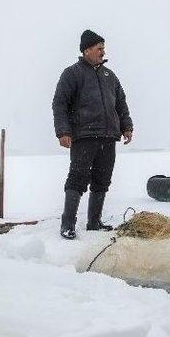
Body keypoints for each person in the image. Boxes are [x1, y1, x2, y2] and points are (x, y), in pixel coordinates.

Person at [52, 30, 133, 239]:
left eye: (103, 48)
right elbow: (59, 103)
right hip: (84, 137)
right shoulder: (72, 73)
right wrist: (63, 131)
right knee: (77, 179)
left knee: (102, 180)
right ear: (87, 50)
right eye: (99, 48)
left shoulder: (109, 75)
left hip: (108, 136)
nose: (103, 52)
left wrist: (127, 126)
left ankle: (94, 223)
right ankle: (68, 224)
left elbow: (121, 103)